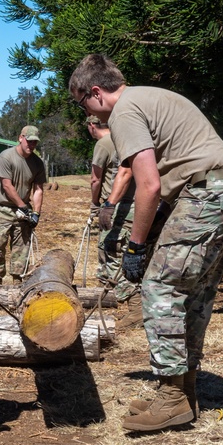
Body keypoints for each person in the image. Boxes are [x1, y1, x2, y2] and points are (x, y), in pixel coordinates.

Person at [69, 53, 223, 433]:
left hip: (208, 193)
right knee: (195, 289)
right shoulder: (151, 96)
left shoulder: (123, 112)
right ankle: (182, 390)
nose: (86, 113)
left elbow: (149, 184)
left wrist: (135, 246)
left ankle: (172, 397)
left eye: (81, 103)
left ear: (96, 92)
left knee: (160, 286)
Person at [88, 115, 141, 327]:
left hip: (118, 207)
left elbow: (95, 179)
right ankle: (129, 304)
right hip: (139, 206)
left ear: (92, 126)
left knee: (111, 254)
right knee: (131, 254)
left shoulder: (104, 144)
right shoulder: (131, 138)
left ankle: (136, 309)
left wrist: (95, 204)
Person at [0, 125, 45, 284]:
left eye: (34, 143)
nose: (31, 145)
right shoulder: (6, 157)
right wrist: (23, 207)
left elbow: (38, 190)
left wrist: (36, 213)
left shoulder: (38, 163)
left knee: (21, 248)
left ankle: (18, 282)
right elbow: (7, 186)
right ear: (20, 138)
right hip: (1, 209)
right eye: (28, 141)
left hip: (23, 211)